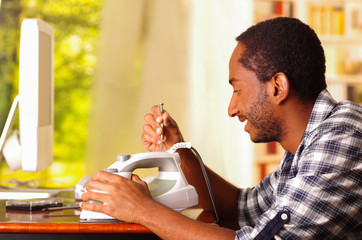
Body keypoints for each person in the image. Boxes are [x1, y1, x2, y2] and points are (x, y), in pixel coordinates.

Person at [81, 17, 362, 239]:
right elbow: (241, 209)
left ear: (278, 86)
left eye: (238, 90)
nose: (232, 109)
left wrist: (142, 209)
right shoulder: (306, 147)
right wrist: (179, 149)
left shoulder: (342, 136)